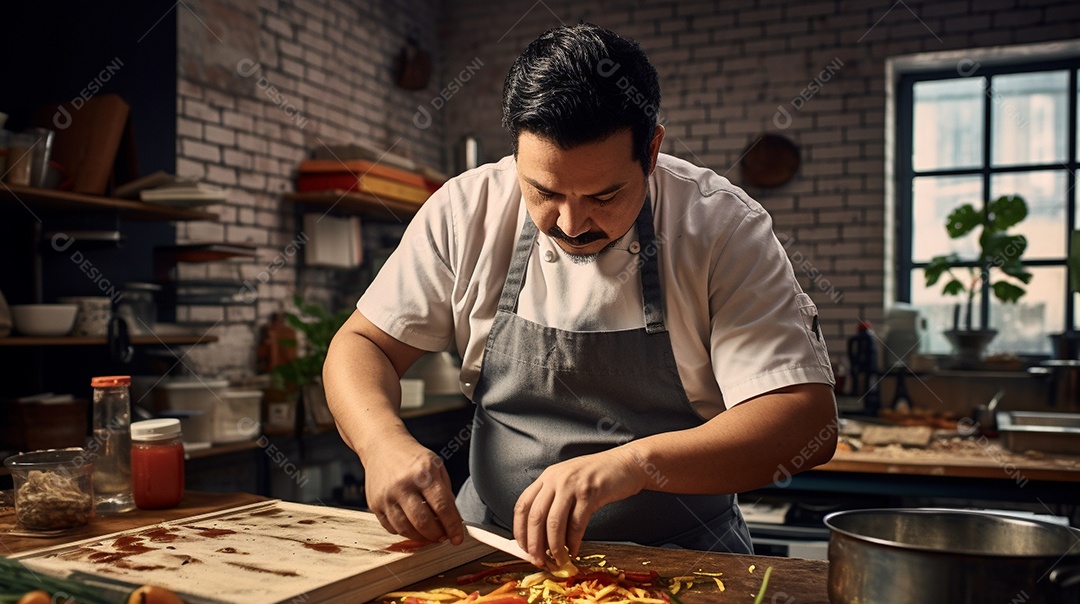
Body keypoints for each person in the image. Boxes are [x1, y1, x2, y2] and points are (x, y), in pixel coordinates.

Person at [324, 22, 837, 568]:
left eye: (604, 194)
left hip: (683, 563)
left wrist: (634, 463)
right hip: (493, 552)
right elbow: (361, 344)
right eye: (543, 191)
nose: (570, 223)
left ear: (653, 149)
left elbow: (804, 420)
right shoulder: (465, 210)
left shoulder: (719, 226)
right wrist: (380, 442)